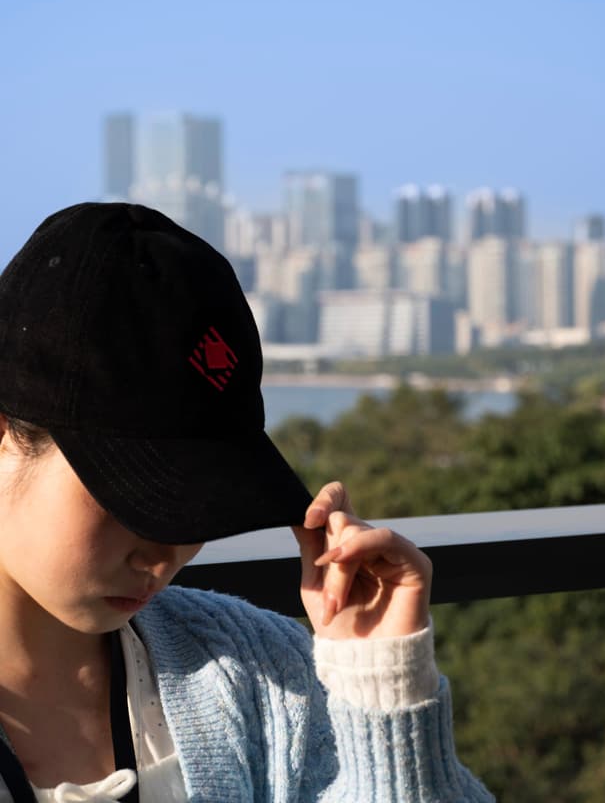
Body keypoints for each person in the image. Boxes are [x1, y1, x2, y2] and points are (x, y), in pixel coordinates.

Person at [0, 202, 494, 802]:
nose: (166, 553)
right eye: (132, 498)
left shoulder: (265, 674)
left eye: (201, 504)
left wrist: (380, 682)